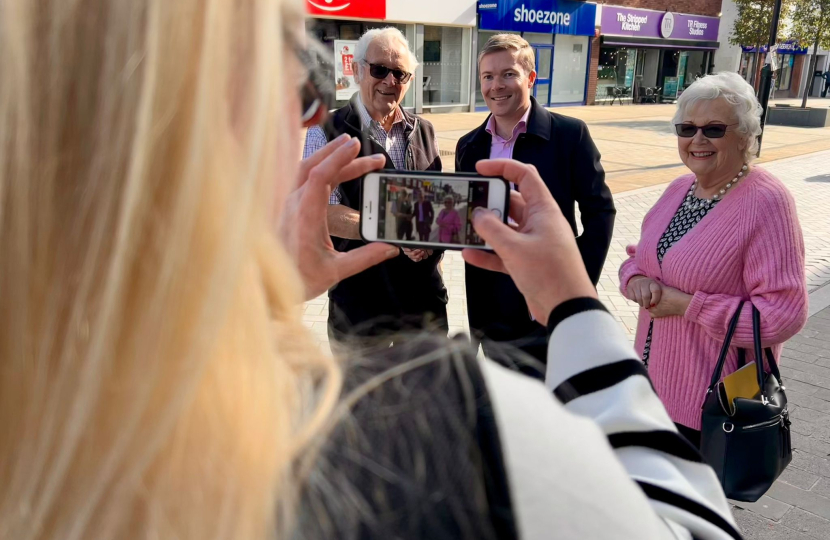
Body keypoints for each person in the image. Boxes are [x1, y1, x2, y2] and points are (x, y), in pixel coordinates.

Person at [0, 1, 746, 539]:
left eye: (399, 72)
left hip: (425, 301)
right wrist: (579, 307)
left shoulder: (45, 439)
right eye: (301, 70)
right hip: (381, 319)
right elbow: (692, 517)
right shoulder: (463, 435)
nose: (306, 110)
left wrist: (263, 294)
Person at [619, 72, 808, 448]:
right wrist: (634, 280)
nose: (697, 139)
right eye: (687, 128)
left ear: (746, 136)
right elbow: (638, 259)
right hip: (650, 390)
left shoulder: (767, 201)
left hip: (712, 409)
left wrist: (688, 306)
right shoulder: (679, 189)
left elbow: (782, 314)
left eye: (715, 129)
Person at [456, 34, 616, 371]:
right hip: (492, 308)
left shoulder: (571, 135)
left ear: (531, 78)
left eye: (508, 74)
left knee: (556, 407)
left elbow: (600, 212)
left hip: (548, 306)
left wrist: (575, 284)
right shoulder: (467, 146)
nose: (496, 86)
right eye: (487, 76)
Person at [303, 27, 445, 347]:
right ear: (356, 69)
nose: (390, 81)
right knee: (362, 395)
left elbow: (435, 204)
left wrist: (432, 243)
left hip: (421, 304)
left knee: (424, 394)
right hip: (360, 307)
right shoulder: (326, 130)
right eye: (380, 69)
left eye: (400, 73)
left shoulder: (425, 130)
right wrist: (393, 229)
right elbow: (322, 211)